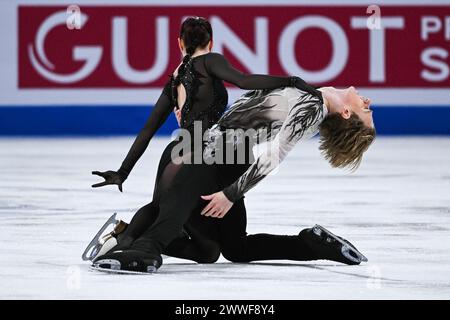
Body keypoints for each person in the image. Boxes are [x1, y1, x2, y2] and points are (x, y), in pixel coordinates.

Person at [85, 16, 317, 263]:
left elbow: (148, 129)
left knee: (177, 224)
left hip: (179, 148)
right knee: (170, 216)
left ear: (179, 43)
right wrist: (290, 81)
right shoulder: (210, 60)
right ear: (211, 42)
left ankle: (123, 239)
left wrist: (123, 171)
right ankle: (135, 247)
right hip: (203, 152)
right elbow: (244, 81)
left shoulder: (174, 79)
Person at [91, 80, 376, 273]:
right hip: (211, 154)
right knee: (208, 243)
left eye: (366, 109)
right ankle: (133, 243)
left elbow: (273, 155)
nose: (369, 101)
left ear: (347, 113)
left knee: (206, 241)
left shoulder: (312, 108)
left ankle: (135, 245)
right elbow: (237, 109)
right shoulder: (299, 89)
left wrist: (230, 194)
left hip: (215, 158)